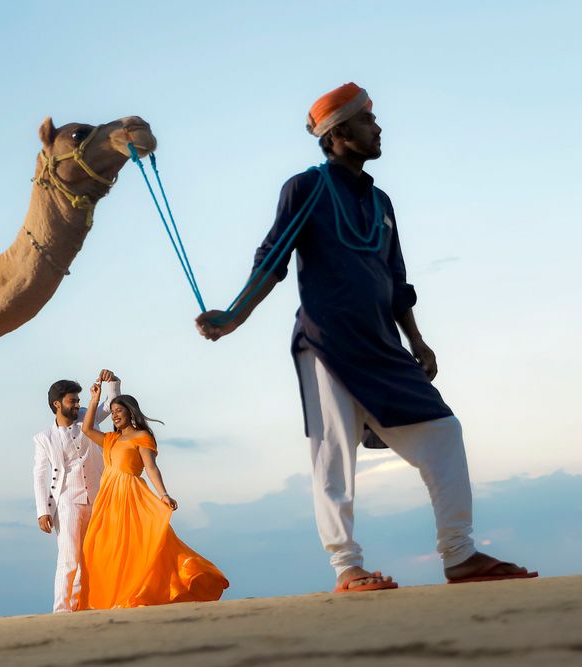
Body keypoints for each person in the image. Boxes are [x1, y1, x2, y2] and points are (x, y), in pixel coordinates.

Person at [195, 83, 536, 592]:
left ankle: (460, 555)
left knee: (443, 431)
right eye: (367, 122)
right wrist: (234, 316)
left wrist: (417, 342)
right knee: (334, 454)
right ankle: (346, 566)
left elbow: (396, 279)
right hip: (325, 341)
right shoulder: (305, 188)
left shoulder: (381, 201)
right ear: (337, 135)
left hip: (384, 346)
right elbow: (272, 259)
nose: (378, 129)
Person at [78, 381, 228, 608]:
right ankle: (115, 595)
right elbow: (87, 429)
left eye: (120, 411)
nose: (115, 415)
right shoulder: (110, 439)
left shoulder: (142, 437)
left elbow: (151, 468)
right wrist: (94, 400)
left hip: (131, 495)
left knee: (140, 543)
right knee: (103, 546)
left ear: (131, 412)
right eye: (113, 412)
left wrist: (164, 494)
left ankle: (157, 586)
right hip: (108, 499)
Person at [33, 370, 120, 613]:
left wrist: (112, 381)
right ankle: (62, 610)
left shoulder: (87, 417)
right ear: (57, 404)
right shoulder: (44, 438)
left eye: (78, 401)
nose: (77, 405)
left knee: (93, 555)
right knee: (69, 556)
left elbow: (111, 404)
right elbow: (39, 474)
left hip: (99, 495)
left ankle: (83, 606)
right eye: (73, 401)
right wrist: (43, 511)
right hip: (67, 500)